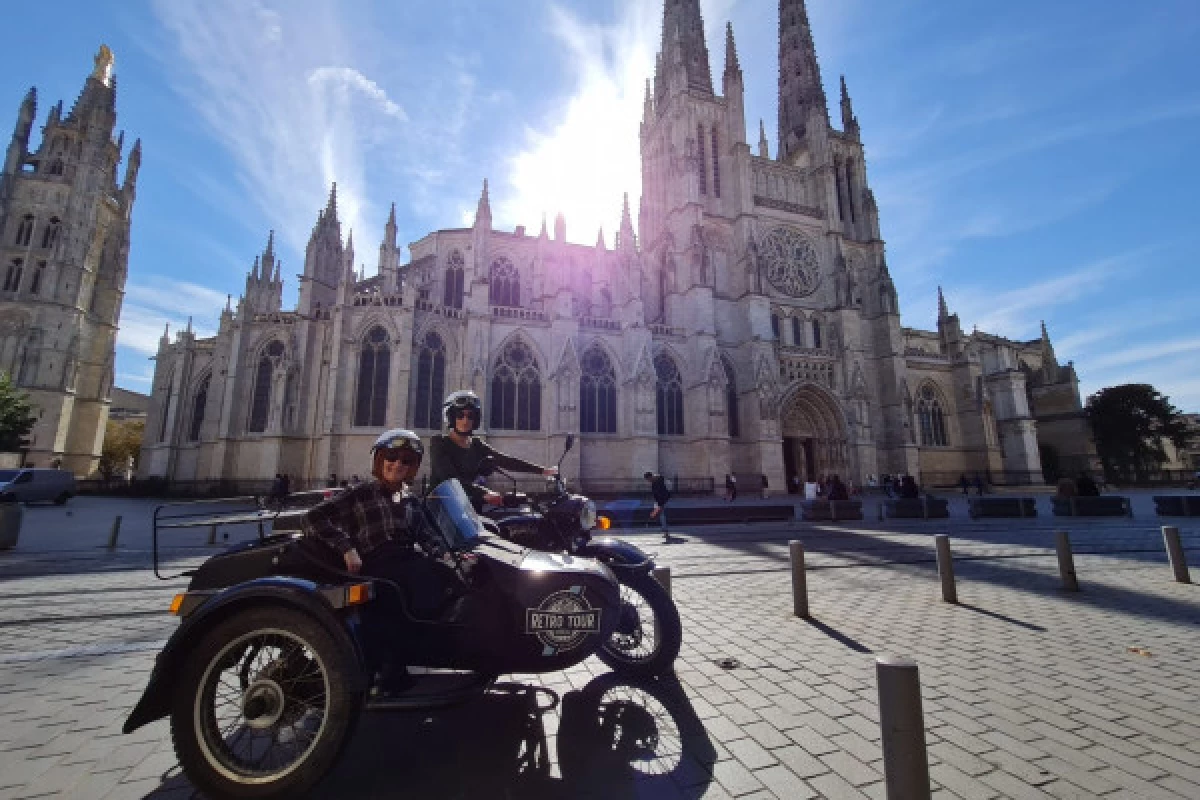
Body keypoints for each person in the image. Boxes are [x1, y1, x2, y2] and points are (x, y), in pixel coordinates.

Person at [303, 428, 453, 696]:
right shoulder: (361, 491)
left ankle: (420, 654)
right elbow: (313, 518)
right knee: (410, 584)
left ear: (412, 468)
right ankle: (390, 669)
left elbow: (427, 535)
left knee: (445, 578)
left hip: (405, 558)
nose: (397, 464)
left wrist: (445, 554)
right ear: (379, 460)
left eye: (406, 461)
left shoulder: (409, 500)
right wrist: (346, 547)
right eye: (392, 457)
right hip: (375, 562)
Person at [428, 390, 558, 510]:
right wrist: (484, 493)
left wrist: (543, 471)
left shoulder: (476, 444)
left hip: (466, 507)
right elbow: (449, 479)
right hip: (440, 507)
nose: (465, 420)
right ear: (451, 418)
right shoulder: (439, 442)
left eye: (470, 416)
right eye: (460, 415)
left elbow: (505, 460)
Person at [645, 471, 672, 543]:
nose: (648, 481)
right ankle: (664, 531)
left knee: (662, 516)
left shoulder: (659, 481)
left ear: (650, 477)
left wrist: (661, 504)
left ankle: (666, 532)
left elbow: (662, 493)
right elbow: (656, 494)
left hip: (663, 501)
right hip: (660, 501)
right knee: (660, 515)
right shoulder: (655, 482)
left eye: (648, 479)